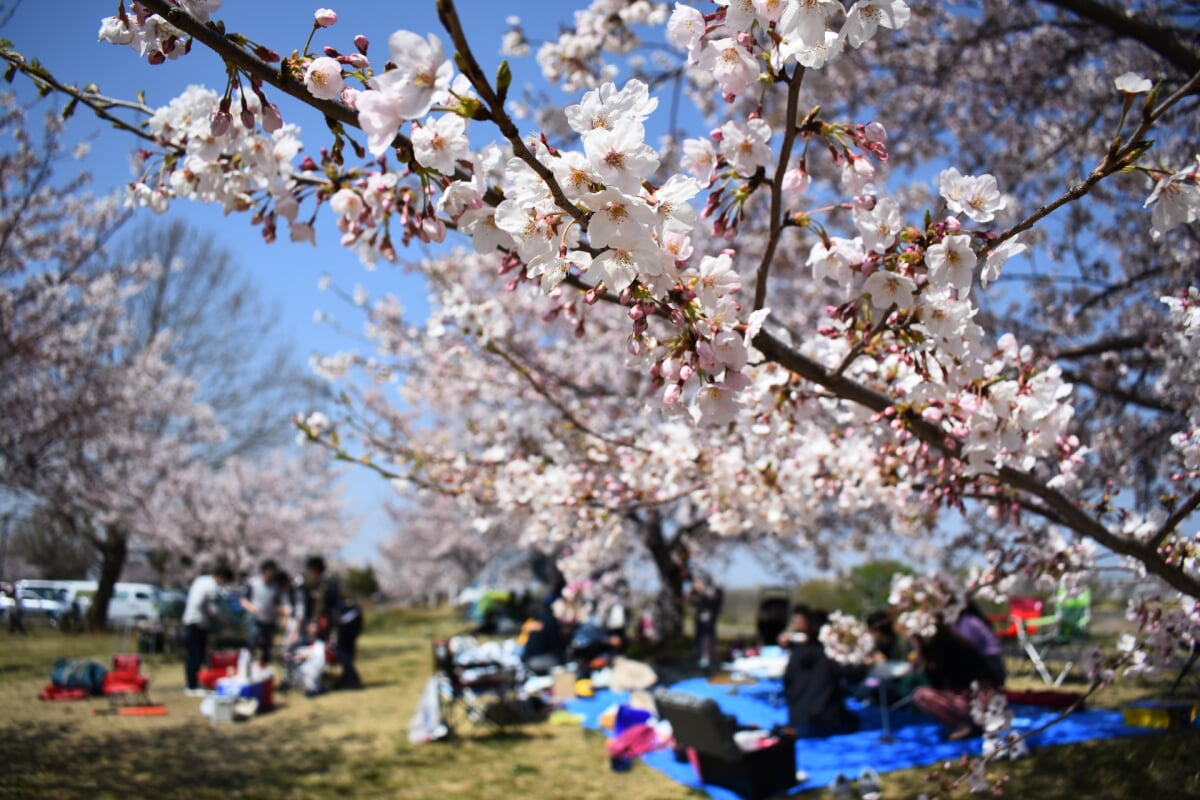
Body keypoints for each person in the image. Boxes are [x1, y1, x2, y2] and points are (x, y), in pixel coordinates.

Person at [781, 608, 867, 737]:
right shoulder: (830, 656)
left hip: (797, 721)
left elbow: (787, 683)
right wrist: (867, 663)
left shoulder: (796, 653)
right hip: (826, 722)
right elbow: (854, 675)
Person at [910, 617, 1000, 740]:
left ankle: (965, 726)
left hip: (976, 698)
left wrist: (921, 655)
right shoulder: (954, 642)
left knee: (921, 695)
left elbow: (937, 682)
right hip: (976, 696)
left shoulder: (943, 649)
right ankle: (969, 724)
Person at [303, 555, 363, 691]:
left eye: (310, 571)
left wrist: (314, 623)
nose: (309, 575)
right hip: (356, 616)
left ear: (314, 570)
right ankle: (347, 678)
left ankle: (352, 679)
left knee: (341, 649)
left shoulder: (325, 584)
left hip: (347, 618)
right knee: (347, 649)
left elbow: (321, 607)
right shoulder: (333, 580)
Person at [182, 565, 234, 696]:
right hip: (198, 623)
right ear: (222, 577)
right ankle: (192, 686)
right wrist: (224, 621)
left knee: (192, 655)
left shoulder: (201, 580)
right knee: (197, 655)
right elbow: (212, 610)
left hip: (188, 620)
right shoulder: (212, 586)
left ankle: (192, 683)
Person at [954, 601, 1006, 688]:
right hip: (993, 658)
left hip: (988, 661)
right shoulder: (972, 619)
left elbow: (968, 646)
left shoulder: (968, 621)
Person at [239, 559, 280, 665]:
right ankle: (248, 664)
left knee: (267, 646)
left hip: (270, 620)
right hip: (255, 619)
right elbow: (243, 600)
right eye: (269, 571)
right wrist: (251, 608)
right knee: (252, 642)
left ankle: (264, 666)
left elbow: (277, 603)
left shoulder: (275, 586)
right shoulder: (253, 583)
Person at [691, 574, 724, 670]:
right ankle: (702, 657)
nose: (695, 585)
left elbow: (713, 601)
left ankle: (707, 658)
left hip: (708, 622)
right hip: (701, 621)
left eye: (697, 583)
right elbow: (693, 602)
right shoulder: (699, 594)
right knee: (701, 638)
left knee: (707, 639)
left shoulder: (710, 592)